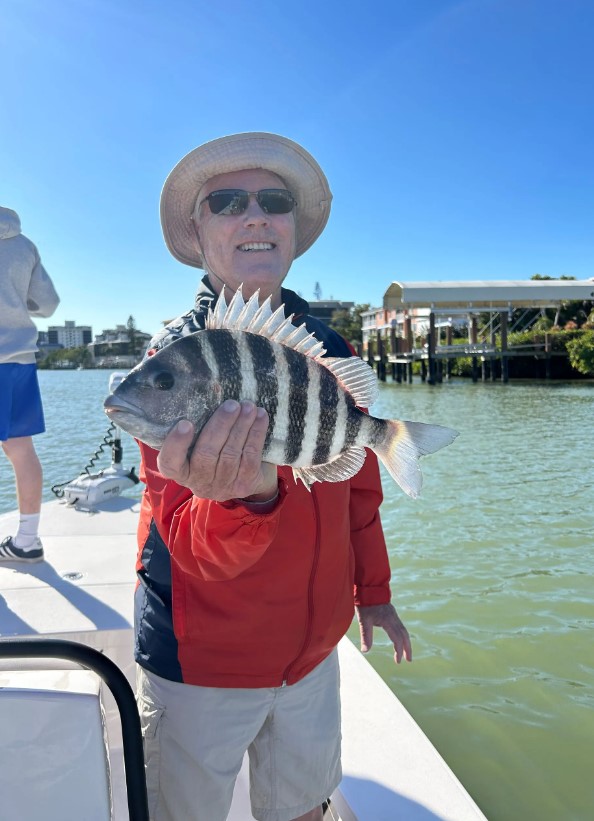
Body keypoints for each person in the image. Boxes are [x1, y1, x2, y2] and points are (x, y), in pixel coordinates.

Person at [135, 132, 412, 821]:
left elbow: (360, 495)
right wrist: (245, 498)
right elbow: (187, 545)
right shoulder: (173, 364)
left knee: (303, 811)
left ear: (293, 228)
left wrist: (373, 593)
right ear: (197, 232)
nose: (254, 215)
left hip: (313, 658)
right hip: (198, 666)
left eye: (274, 201)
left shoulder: (332, 352)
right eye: (227, 200)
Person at [0, 207, 59, 563]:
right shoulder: (24, 245)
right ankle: (27, 541)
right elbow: (48, 305)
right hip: (19, 360)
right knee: (22, 450)